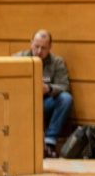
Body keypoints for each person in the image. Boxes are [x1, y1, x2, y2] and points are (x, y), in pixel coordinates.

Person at [14, 30, 72, 158]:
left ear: (50, 47)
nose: (39, 51)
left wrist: (48, 89)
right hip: (23, 104)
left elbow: (64, 86)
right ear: (31, 43)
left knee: (66, 99)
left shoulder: (57, 62)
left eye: (44, 48)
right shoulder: (18, 59)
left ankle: (50, 142)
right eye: (36, 46)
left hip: (45, 103)